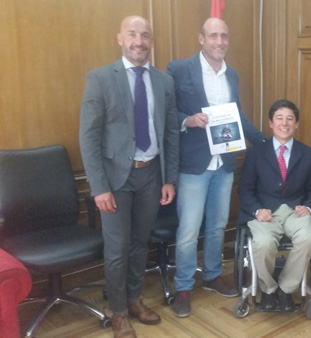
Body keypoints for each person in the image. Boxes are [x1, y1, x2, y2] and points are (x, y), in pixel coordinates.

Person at [79, 16, 179, 338]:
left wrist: (169, 179)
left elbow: (170, 135)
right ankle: (118, 312)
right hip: (115, 181)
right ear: (119, 38)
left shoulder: (164, 81)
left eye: (145, 35)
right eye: (133, 34)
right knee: (117, 247)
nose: (140, 41)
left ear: (151, 41)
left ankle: (134, 299)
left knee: (140, 243)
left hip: (152, 175)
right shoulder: (100, 78)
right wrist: (99, 187)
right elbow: (89, 137)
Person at [166, 17, 265, 317]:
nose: (220, 41)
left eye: (224, 36)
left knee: (218, 225)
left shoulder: (231, 75)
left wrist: (264, 142)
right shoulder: (179, 69)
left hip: (223, 162)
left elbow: (238, 116)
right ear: (201, 38)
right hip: (193, 164)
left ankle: (211, 276)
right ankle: (183, 286)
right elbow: (167, 112)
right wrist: (188, 119)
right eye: (213, 36)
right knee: (188, 230)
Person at [238, 99, 311, 311]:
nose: (284, 123)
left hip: (296, 211)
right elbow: (245, 190)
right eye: (279, 118)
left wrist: (309, 208)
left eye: (290, 119)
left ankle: (285, 288)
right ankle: (268, 289)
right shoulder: (256, 153)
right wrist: (257, 210)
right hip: (265, 212)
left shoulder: (308, 154)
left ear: (296, 124)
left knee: (309, 237)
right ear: (270, 123)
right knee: (263, 242)